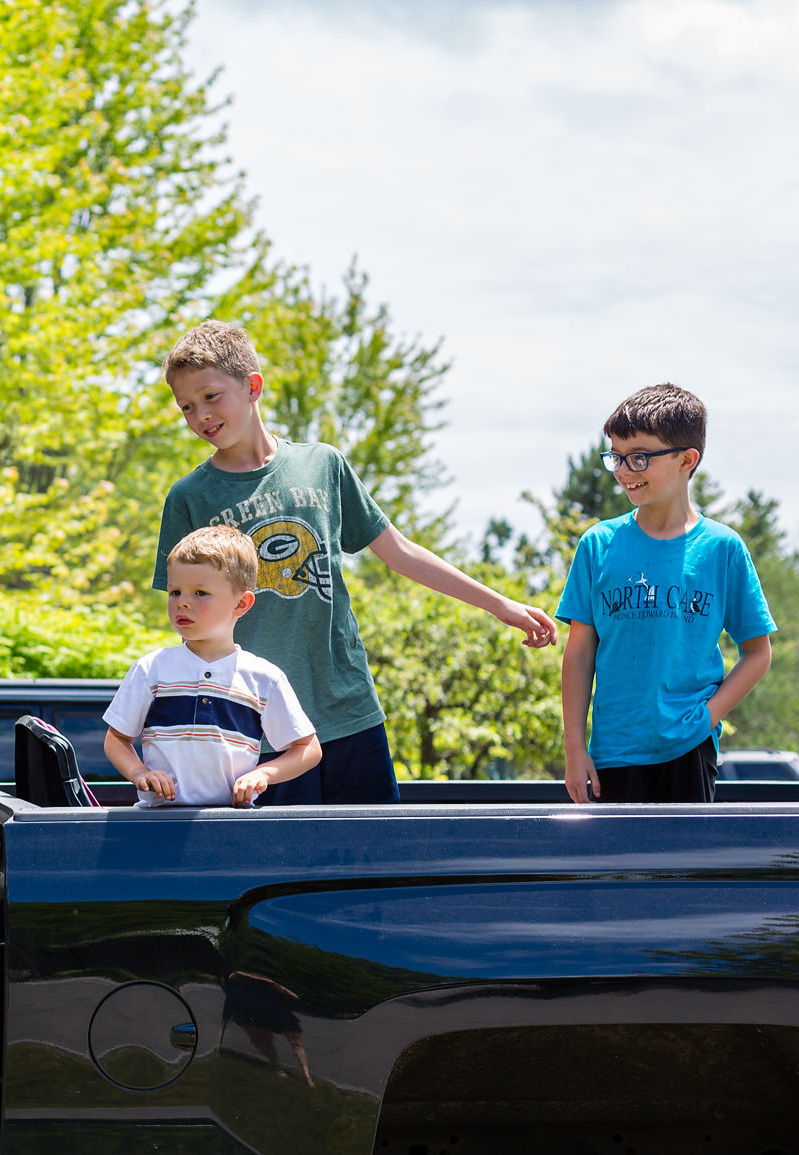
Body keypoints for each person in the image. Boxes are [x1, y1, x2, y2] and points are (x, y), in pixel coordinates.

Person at [155, 321, 558, 804]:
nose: (200, 415)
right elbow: (186, 622)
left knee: (373, 868)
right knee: (279, 875)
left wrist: (503, 606)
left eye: (211, 397)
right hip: (253, 728)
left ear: (253, 386)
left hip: (347, 709)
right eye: (186, 407)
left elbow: (401, 552)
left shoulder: (323, 465)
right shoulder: (189, 497)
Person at [557, 384, 775, 803]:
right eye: (616, 457)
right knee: (616, 871)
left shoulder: (722, 549)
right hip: (612, 755)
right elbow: (580, 652)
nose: (624, 470)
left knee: (683, 870)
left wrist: (705, 719)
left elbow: (757, 653)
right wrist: (574, 748)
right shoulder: (597, 545)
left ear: (686, 460)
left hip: (687, 751)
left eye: (639, 457)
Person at [104, 525, 322, 807]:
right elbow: (116, 739)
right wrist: (140, 773)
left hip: (232, 827)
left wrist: (263, 773)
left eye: (200, 593)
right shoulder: (151, 669)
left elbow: (308, 748)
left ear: (241, 604)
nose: (182, 603)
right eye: (175, 592)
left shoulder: (264, 678)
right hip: (155, 825)